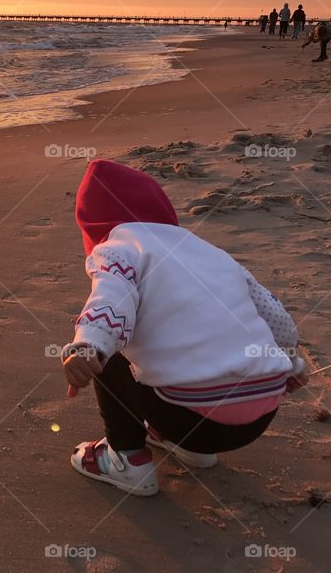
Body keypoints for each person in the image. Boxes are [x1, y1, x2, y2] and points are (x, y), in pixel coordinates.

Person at [61, 161, 307, 496]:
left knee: (113, 343)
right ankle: (194, 450)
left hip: (189, 416)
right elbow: (272, 314)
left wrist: (89, 345)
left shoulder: (119, 247)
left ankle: (128, 459)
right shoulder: (211, 253)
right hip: (261, 412)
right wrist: (291, 364)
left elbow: (111, 302)